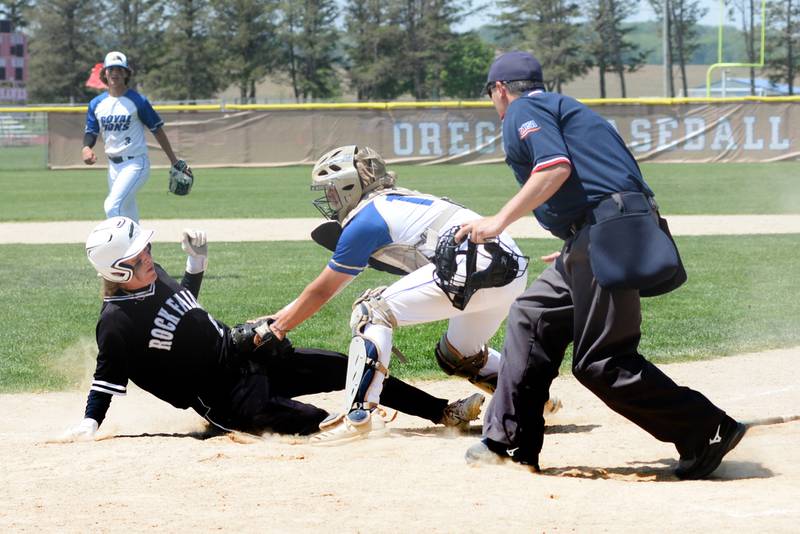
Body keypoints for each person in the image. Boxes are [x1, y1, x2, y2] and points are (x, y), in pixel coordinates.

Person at [458, 51, 745, 479]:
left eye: (491, 95)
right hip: (598, 234)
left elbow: (554, 168)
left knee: (601, 361)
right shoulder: (565, 108)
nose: (494, 104)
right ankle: (509, 441)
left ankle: (707, 428)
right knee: (531, 316)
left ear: (500, 89)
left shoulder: (523, 109)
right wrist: (579, 243)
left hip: (606, 233)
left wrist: (498, 221)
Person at [59, 217, 485, 442]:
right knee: (317, 424)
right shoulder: (116, 322)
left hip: (243, 354)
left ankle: (441, 412)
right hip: (225, 399)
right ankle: (343, 426)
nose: (147, 255)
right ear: (117, 269)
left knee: (348, 366)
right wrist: (90, 423)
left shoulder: (152, 276)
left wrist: (196, 267)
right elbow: (107, 377)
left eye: (146, 248)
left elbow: (185, 306)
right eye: (137, 256)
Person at [252, 145, 559, 445]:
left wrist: (278, 327)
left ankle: (358, 416)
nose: (328, 198)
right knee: (458, 352)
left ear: (349, 186)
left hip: (475, 264)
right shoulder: (394, 202)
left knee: (372, 311)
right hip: (509, 268)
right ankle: (534, 397)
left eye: (332, 189)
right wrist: (277, 317)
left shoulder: (366, 219)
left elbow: (323, 289)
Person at [82, 51, 191, 222]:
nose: (115, 73)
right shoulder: (97, 104)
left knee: (112, 206)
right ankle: (140, 247)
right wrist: (86, 147)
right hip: (113, 166)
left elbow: (157, 130)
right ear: (105, 73)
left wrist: (174, 161)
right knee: (127, 213)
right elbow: (91, 131)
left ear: (126, 73)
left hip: (135, 163)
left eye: (120, 69)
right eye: (111, 69)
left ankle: (117, 247)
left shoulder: (138, 101)